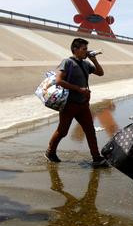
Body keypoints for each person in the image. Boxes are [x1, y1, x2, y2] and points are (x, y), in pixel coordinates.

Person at [45, 38, 109, 168]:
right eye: (84, 49)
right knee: (63, 131)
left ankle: (96, 158)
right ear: (75, 49)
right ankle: (50, 152)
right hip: (69, 104)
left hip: (83, 104)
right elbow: (59, 80)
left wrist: (94, 59)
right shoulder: (67, 62)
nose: (86, 51)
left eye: (87, 49)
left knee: (90, 131)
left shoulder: (85, 64)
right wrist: (79, 89)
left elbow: (101, 73)